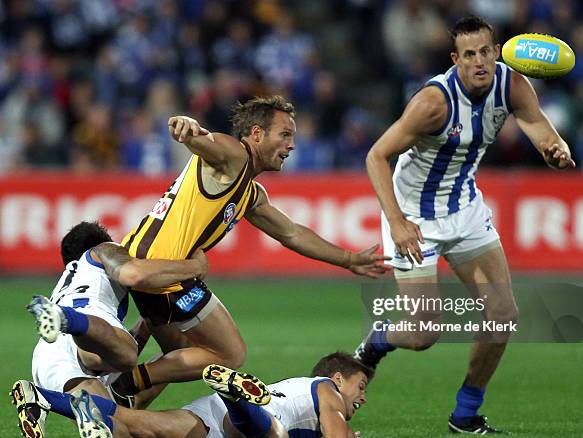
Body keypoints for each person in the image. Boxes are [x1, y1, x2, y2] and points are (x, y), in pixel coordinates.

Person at [354, 15, 574, 434]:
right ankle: (376, 342)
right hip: (414, 214)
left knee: (503, 314)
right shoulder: (432, 102)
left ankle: (466, 413)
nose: (478, 62)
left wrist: (555, 149)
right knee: (423, 333)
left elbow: (540, 129)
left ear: (496, 52)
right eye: (468, 54)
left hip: (465, 206)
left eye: (484, 52)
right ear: (455, 60)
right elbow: (376, 156)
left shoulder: (512, 86)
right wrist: (397, 223)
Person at [111, 95, 389, 401]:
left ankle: (124, 415)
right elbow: (206, 143)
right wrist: (189, 129)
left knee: (179, 355)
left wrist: (348, 259)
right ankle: (126, 383)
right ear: (256, 134)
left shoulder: (250, 192)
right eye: (284, 134)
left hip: (151, 268)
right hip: (165, 273)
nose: (292, 145)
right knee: (229, 354)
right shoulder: (235, 155)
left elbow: (292, 233)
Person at [23, 221, 209, 438]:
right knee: (128, 356)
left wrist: (148, 321)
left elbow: (109, 347)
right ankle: (68, 319)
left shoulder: (68, 280)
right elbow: (140, 274)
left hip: (48, 356)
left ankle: (43, 398)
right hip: (88, 318)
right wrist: (195, 267)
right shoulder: (104, 250)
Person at [12, 352, 371, 438]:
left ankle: (41, 396)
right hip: (260, 415)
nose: (364, 397)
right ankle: (237, 398)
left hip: (213, 418)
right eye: (361, 385)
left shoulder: (305, 388)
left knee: (135, 432)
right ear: (339, 379)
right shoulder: (328, 389)